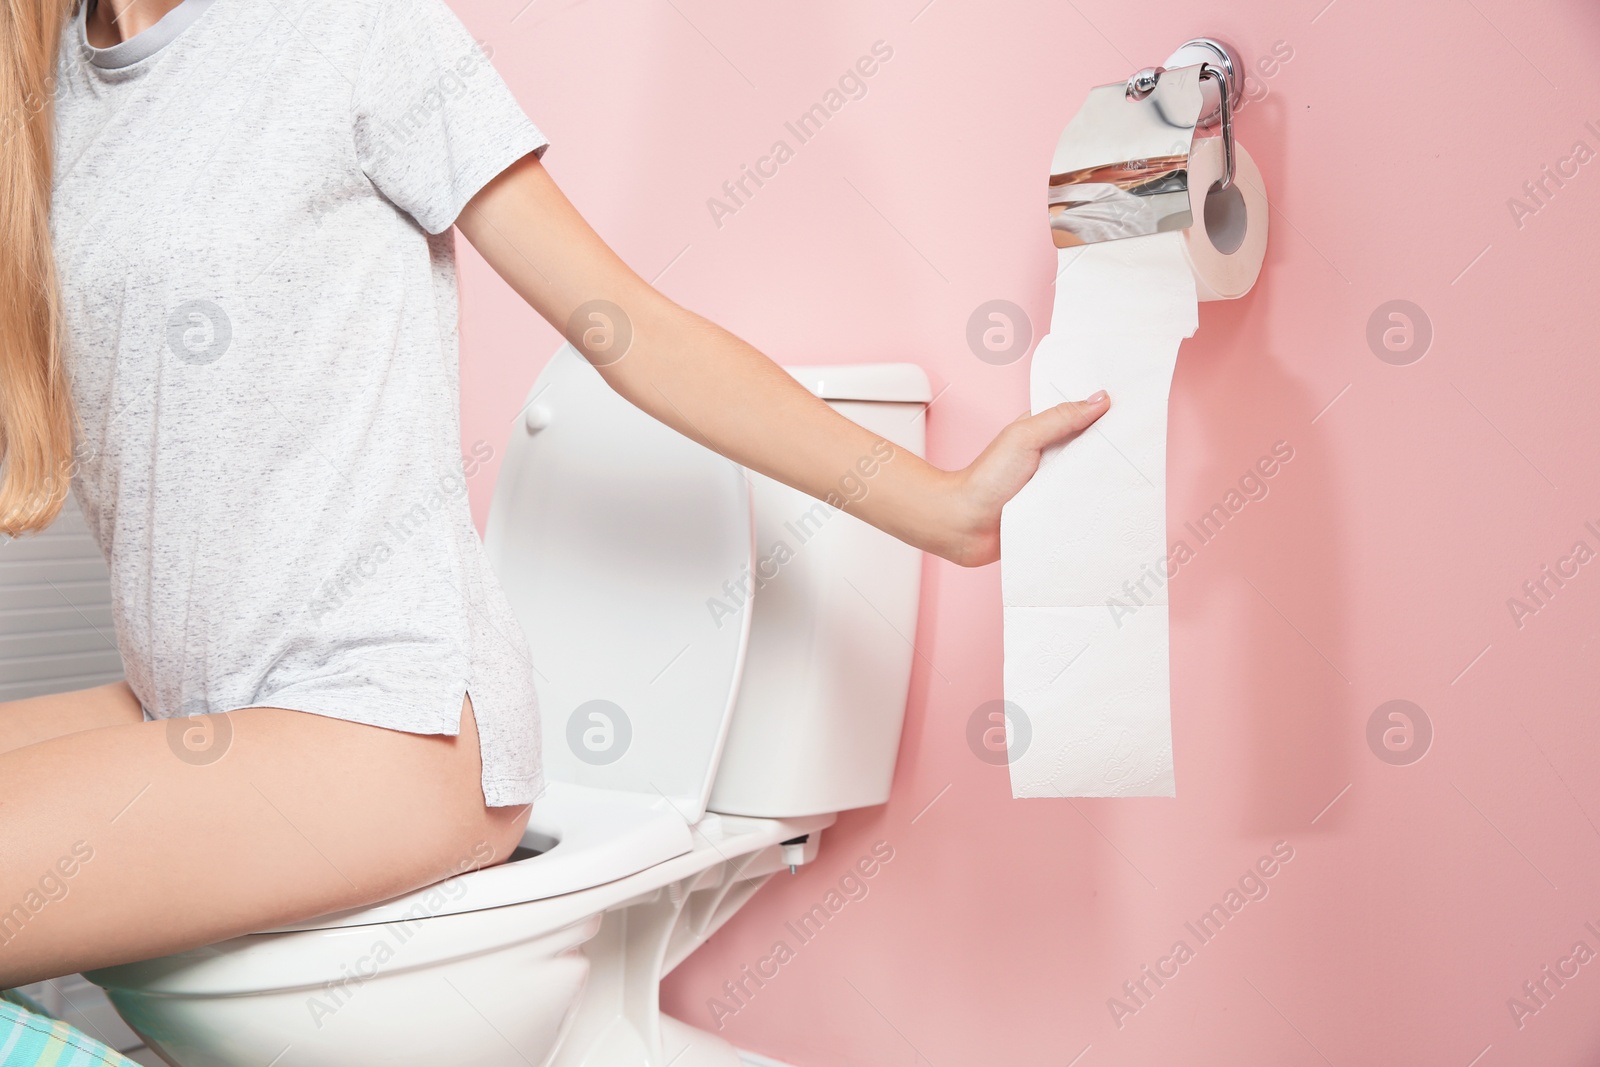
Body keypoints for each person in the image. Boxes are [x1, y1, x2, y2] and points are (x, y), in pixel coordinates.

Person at [0, 0, 1110, 989]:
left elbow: (625, 328)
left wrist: (941, 506)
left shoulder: (351, 28)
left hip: (395, 714)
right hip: (189, 701)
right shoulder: (49, 91)